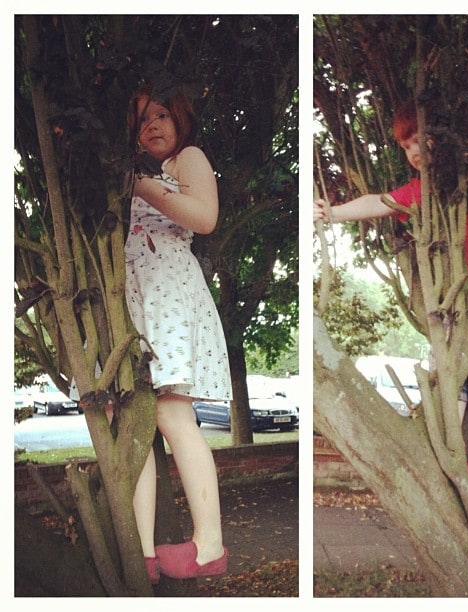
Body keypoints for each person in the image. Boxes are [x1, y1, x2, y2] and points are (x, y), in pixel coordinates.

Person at [314, 99, 468, 487]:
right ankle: (443, 441)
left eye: (418, 139)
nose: (412, 151)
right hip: (460, 290)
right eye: (405, 146)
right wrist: (331, 212)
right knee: (447, 363)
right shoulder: (421, 192)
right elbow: (379, 202)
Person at [125, 85, 232, 582]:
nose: (152, 124)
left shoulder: (184, 159)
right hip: (135, 300)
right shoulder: (133, 173)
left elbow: (205, 216)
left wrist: (143, 187)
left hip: (166, 296)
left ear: (181, 118)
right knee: (135, 425)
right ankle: (142, 550)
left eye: (162, 113)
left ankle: (209, 544)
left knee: (171, 415)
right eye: (142, 117)